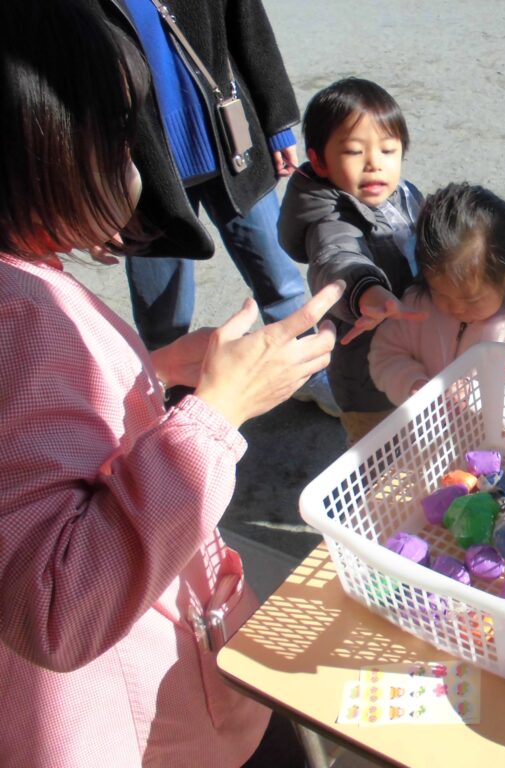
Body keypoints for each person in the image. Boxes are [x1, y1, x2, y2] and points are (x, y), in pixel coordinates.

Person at [0, 2, 340, 764]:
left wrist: (149, 375)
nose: (138, 160)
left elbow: (32, 441)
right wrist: (218, 413)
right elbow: (56, 604)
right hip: (143, 723)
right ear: (38, 143)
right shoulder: (22, 315)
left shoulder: (23, 287)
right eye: (121, 131)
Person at [96, 0, 340, 416]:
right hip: (144, 168)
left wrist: (277, 121)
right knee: (161, 309)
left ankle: (305, 371)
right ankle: (168, 392)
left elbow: (249, 25)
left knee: (278, 277)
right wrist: (95, 194)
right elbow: (69, 90)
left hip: (230, 144)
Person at [279, 78, 426, 443]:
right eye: (354, 152)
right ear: (319, 161)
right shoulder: (329, 221)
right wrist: (367, 291)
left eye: (388, 150)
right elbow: (338, 259)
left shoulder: (404, 195)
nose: (374, 164)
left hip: (414, 360)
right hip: (369, 382)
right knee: (383, 469)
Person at [368, 182, 505, 408]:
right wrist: (413, 383)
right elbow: (385, 356)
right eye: (441, 293)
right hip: (431, 440)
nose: (456, 308)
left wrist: (478, 394)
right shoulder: (417, 306)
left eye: (471, 299)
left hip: (500, 443)